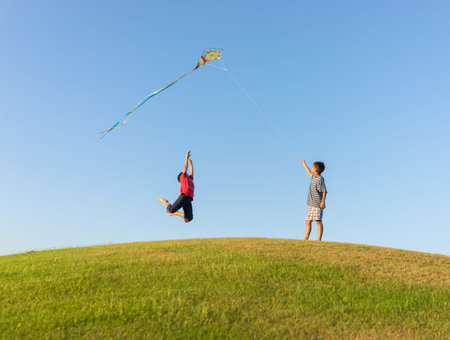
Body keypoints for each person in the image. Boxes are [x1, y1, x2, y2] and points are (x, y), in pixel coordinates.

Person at [158, 151, 194, 223]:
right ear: (181, 177)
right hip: (183, 197)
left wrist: (191, 162)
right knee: (170, 210)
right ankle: (164, 201)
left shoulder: (190, 178)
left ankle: (176, 213)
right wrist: (186, 157)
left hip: (189, 199)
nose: (186, 173)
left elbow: (191, 170)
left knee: (188, 218)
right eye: (184, 173)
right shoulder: (184, 178)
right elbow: (185, 167)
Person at [301, 159, 327, 241]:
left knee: (318, 221)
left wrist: (323, 202)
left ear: (315, 169)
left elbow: (324, 191)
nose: (311, 168)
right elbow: (308, 172)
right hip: (311, 205)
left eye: (312, 167)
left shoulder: (320, 179)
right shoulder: (313, 177)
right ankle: (306, 238)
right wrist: (304, 163)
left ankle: (319, 239)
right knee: (307, 221)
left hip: (317, 204)